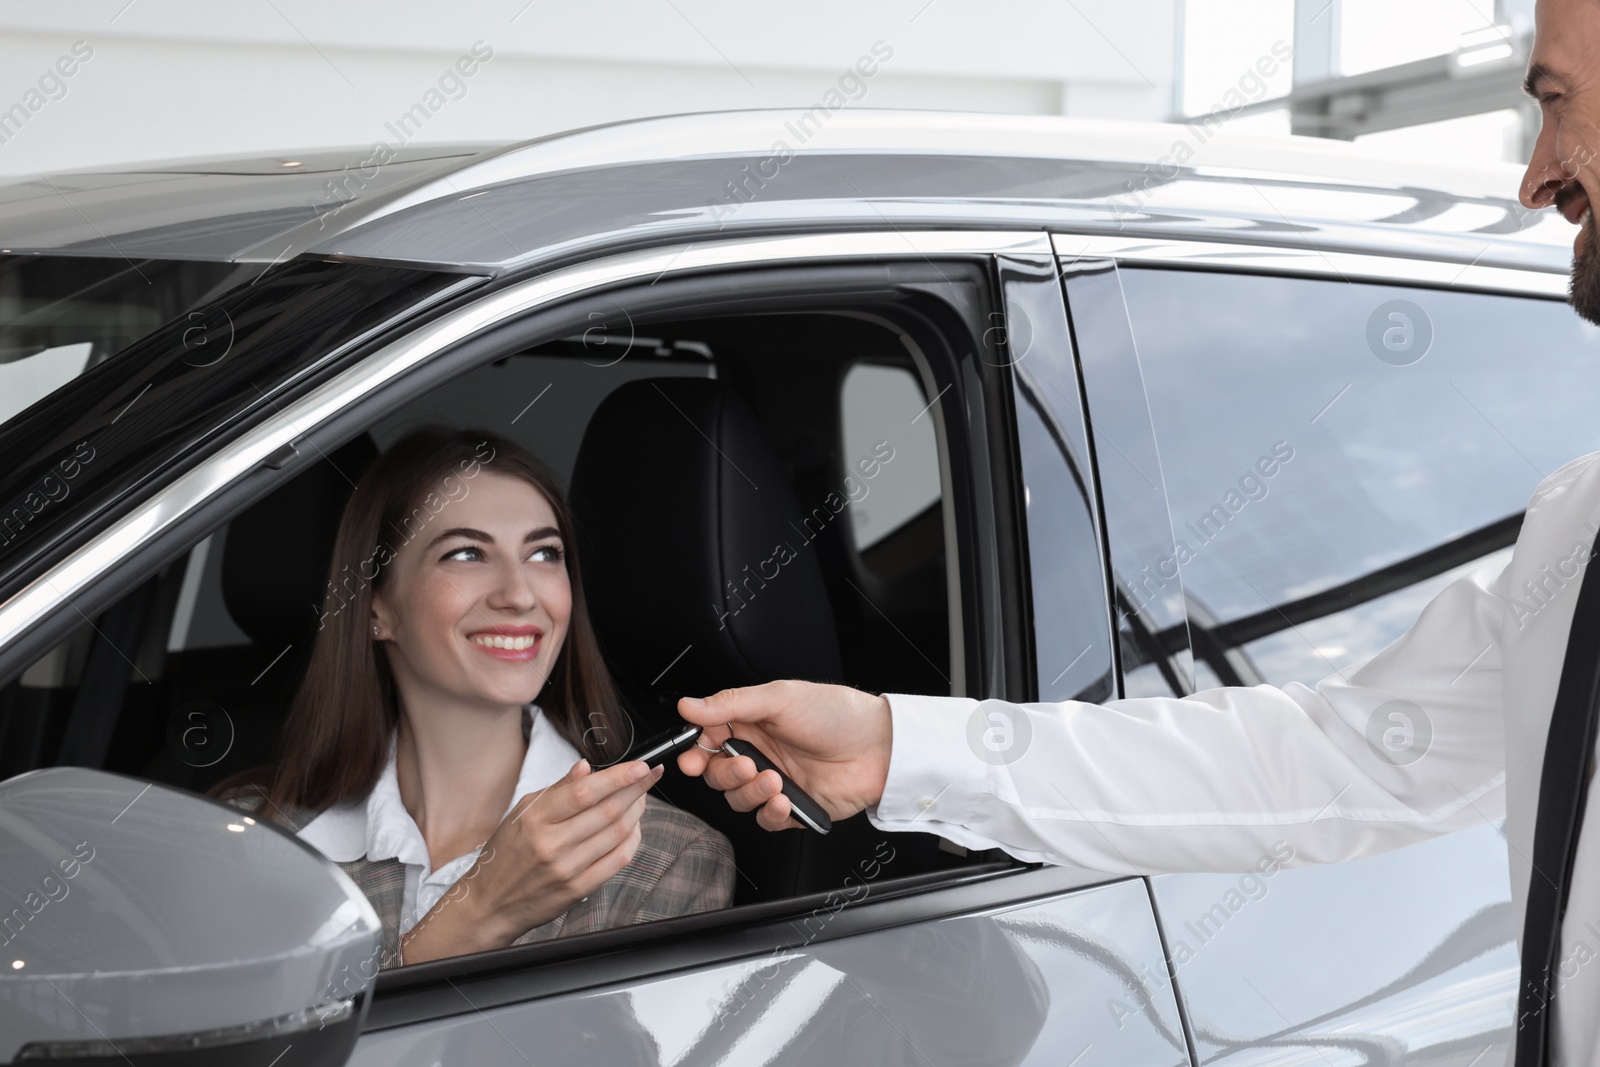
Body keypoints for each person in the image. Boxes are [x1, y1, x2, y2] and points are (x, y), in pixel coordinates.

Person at [676, 3, 1600, 1062]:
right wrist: (892, 748)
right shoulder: (1577, 533)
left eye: (1554, 102)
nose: (1535, 179)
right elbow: (1324, 759)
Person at [216, 426, 734, 969]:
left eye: (544, 553)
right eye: (466, 553)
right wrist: (479, 912)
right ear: (375, 609)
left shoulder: (662, 860)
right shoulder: (251, 840)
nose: (518, 593)